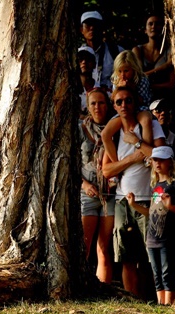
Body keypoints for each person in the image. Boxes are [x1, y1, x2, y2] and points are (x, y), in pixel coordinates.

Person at [102, 86, 165, 300]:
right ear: (114, 106)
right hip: (123, 200)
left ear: (136, 101)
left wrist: (138, 143)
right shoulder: (115, 132)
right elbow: (107, 170)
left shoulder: (150, 124)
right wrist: (128, 160)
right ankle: (133, 301)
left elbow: (160, 156)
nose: (123, 105)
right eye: (118, 102)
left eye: (127, 100)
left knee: (150, 257)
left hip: (149, 198)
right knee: (126, 256)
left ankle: (152, 300)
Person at [126, 146, 175, 305]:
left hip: (167, 236)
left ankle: (169, 303)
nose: (157, 163)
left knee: (167, 272)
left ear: (170, 162)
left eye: (161, 160)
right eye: (155, 160)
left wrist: (170, 206)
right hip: (152, 236)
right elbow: (151, 211)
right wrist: (134, 205)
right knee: (156, 273)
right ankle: (160, 303)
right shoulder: (155, 186)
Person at [79, 88, 115, 283]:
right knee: (84, 245)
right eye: (93, 103)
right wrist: (84, 184)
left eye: (101, 103)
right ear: (87, 106)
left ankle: (104, 290)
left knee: (104, 247)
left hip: (109, 192)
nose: (97, 107)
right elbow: (70, 163)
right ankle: (82, 285)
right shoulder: (80, 129)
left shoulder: (115, 127)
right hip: (87, 192)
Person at [132, 14, 175, 101]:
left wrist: (150, 86)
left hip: (165, 99)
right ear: (145, 30)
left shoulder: (169, 51)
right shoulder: (138, 50)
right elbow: (139, 77)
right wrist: (165, 66)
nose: (154, 26)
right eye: (150, 24)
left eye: (157, 24)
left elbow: (171, 84)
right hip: (143, 98)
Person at [79, 10, 124, 89]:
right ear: (81, 30)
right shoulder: (78, 55)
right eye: (88, 25)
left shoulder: (117, 51)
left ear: (102, 28)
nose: (92, 28)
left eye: (95, 24)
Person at [76, 45, 99, 115]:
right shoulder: (69, 91)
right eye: (80, 59)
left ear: (94, 64)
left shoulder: (102, 91)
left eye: (88, 59)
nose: (84, 62)